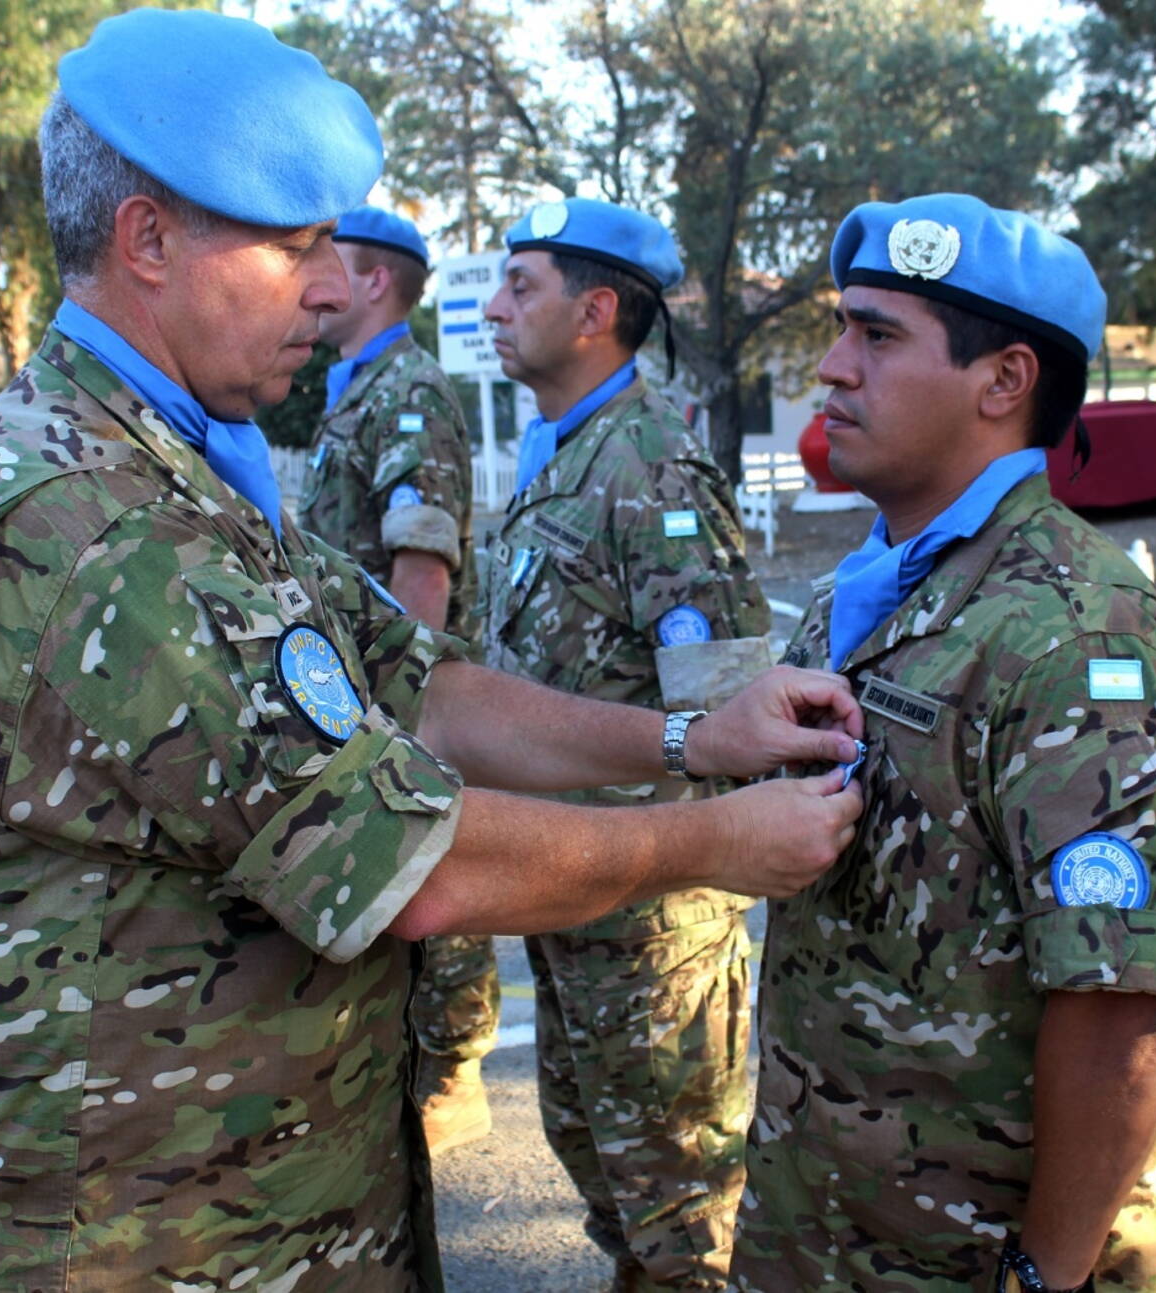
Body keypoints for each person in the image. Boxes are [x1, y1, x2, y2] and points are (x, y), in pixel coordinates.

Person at [0, 11, 864, 1292]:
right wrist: (712, 841)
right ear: (145, 240)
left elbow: (423, 688)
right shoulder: (81, 530)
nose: (335, 289)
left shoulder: (179, 477)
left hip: (244, 1222)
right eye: (292, 245)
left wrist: (686, 737)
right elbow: (413, 867)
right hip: (105, 1244)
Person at [731, 194, 1156, 1292]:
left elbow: (1119, 1002)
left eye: (874, 335)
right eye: (839, 329)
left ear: (1003, 382)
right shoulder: (857, 597)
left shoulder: (1079, 633)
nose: (830, 369)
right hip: (830, 1221)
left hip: (978, 1253)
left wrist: (1042, 1275)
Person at [479, 197, 774, 1291]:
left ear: (596, 311)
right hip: (566, 888)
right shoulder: (560, 454)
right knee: (604, 1171)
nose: (494, 309)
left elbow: (727, 715)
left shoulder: (648, 469)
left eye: (522, 287)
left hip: (653, 929)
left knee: (681, 1203)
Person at [297, 204, 496, 1152]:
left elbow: (423, 571)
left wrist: (395, 729)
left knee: (428, 865)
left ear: (377, 281)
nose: (315, 284)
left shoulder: (406, 392)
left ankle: (451, 1070)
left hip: (392, 699)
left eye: (331, 263)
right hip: (361, 692)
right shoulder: (359, 389)